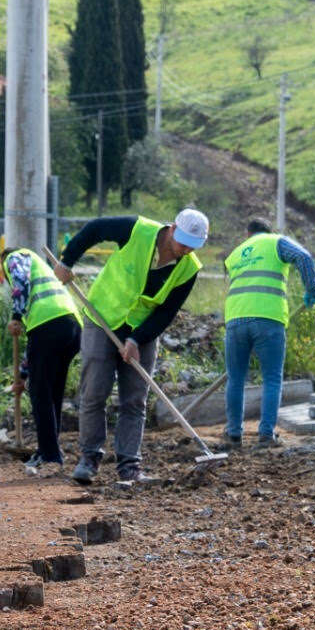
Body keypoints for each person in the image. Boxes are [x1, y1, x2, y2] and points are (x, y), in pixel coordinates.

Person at [52, 208, 207, 485]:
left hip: (142, 330)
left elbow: (166, 312)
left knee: (135, 399)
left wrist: (137, 339)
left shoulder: (190, 267)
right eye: (182, 243)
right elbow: (95, 228)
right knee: (94, 391)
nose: (185, 251)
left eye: (192, 247)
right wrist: (67, 261)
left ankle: (129, 465)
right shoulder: (137, 229)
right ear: (171, 229)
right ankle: (89, 458)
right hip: (102, 318)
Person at [222, 218, 315, 449]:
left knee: (235, 378)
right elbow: (304, 257)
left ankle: (233, 435)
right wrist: (312, 288)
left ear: (248, 234)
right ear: (268, 231)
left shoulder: (235, 254)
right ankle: (266, 435)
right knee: (271, 378)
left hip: (235, 318)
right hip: (268, 318)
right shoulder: (276, 242)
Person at [0, 246, 82, 475]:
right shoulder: (40, 266)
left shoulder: (15, 258)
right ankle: (51, 451)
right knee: (51, 392)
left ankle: (49, 455)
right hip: (72, 326)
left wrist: (16, 317)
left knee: (40, 393)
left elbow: (20, 281)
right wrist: (23, 376)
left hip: (48, 324)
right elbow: (35, 349)